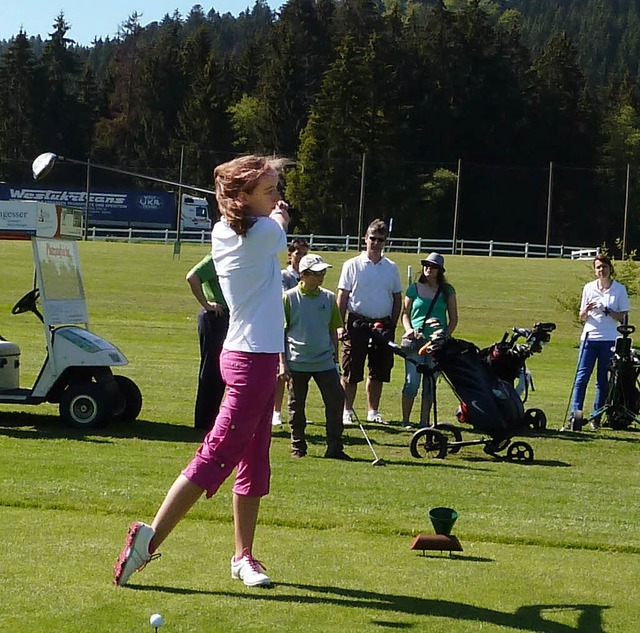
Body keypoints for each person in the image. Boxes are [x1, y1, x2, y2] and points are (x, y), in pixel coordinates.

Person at [114, 154, 289, 589]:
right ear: (243, 196)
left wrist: (260, 204)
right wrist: (278, 213)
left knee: (254, 460)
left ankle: (243, 556)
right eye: (269, 190)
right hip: (250, 361)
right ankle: (147, 541)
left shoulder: (225, 228)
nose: (278, 197)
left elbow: (266, 229)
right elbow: (280, 229)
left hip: (254, 355)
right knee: (216, 455)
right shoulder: (265, 230)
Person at [281, 253, 350, 460]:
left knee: (336, 400)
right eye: (317, 273)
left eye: (323, 272)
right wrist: (282, 363)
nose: (321, 277)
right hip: (297, 360)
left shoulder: (329, 298)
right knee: (296, 406)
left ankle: (335, 447)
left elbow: (332, 330)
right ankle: (298, 447)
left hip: (324, 361)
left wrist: (336, 359)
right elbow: (280, 332)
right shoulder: (289, 298)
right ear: (304, 274)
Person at [337, 219, 402, 425]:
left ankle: (373, 411)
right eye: (372, 238)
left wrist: (392, 324)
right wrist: (339, 325)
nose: (375, 243)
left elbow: (397, 297)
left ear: (385, 242)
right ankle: (347, 410)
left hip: (382, 325)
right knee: (351, 370)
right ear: (365, 239)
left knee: (379, 370)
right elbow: (342, 297)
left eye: (380, 240)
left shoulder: (391, 268)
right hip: (356, 324)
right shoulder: (352, 265)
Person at [565, 253, 629, 431]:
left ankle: (596, 417)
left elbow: (622, 316)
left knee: (603, 381)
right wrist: (585, 309)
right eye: (598, 267)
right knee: (581, 377)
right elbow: (582, 316)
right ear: (595, 271)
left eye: (604, 267)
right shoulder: (588, 288)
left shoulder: (619, 289)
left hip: (608, 339)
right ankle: (575, 415)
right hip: (589, 338)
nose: (601, 270)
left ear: (610, 269)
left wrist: (606, 310)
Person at [400, 253, 458, 428]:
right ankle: (406, 421)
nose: (428, 268)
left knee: (430, 383)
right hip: (416, 342)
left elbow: (454, 318)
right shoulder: (414, 289)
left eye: (432, 266)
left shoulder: (447, 291)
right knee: (412, 382)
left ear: (439, 270)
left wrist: (444, 336)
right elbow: (405, 314)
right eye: (426, 265)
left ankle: (424, 421)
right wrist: (409, 330)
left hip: (436, 345)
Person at [186, 253, 229, 431]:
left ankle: (215, 421)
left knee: (224, 370)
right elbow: (192, 277)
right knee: (212, 369)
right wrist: (207, 304)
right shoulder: (217, 257)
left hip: (230, 316)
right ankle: (204, 423)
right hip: (215, 316)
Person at [273, 238, 309, 427]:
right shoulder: (284, 276)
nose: (301, 257)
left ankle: (296, 410)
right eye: (298, 253)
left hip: (302, 329)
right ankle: (276, 411)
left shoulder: (308, 276)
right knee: (282, 372)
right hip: (286, 327)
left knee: (299, 375)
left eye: (305, 254)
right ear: (290, 255)